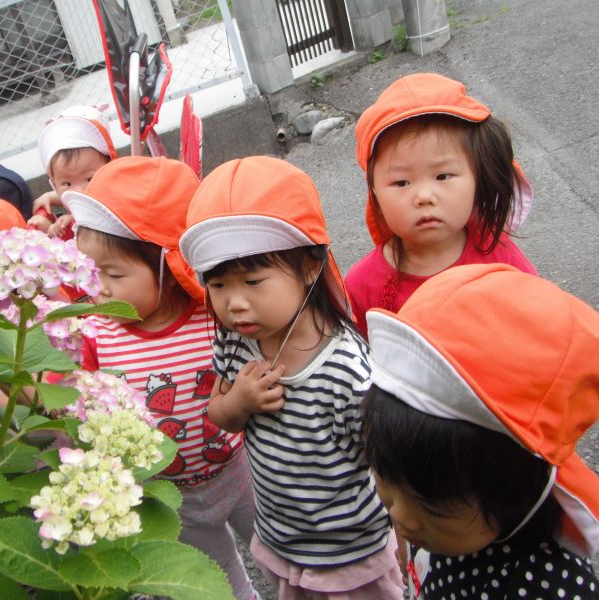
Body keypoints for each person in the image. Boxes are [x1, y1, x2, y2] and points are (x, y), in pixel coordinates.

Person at [179, 156, 404, 600]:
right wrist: (239, 402)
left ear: (308, 266)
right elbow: (219, 415)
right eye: (218, 285)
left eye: (253, 280)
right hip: (283, 541)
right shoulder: (235, 342)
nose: (234, 303)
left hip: (351, 554)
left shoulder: (348, 370)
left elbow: (390, 469)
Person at [62, 156, 259, 600]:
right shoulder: (95, 334)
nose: (100, 288)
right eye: (92, 272)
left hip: (241, 471)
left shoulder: (211, 315)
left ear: (169, 268)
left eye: (113, 274)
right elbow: (76, 405)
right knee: (218, 577)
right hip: (171, 496)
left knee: (277, 552)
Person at [360, 263, 599, 599]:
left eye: (430, 504)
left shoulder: (549, 587)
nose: (400, 517)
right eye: (384, 476)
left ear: (519, 487)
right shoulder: (451, 529)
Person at [345, 72, 537, 338]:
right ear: (375, 191)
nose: (424, 196)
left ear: (476, 178)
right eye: (401, 182)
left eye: (443, 176)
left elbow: (541, 321)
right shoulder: (363, 285)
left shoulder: (501, 256)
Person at [27, 104, 116, 238]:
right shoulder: (82, 194)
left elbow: (71, 237)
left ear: (109, 167)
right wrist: (49, 197)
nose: (78, 191)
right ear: (54, 184)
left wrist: (49, 229)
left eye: (89, 179)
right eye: (67, 184)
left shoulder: (110, 203)